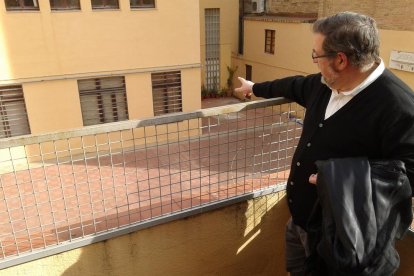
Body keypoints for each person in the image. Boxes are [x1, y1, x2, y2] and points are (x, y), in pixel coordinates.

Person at [235, 11, 414, 276]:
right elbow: (293, 85)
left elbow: (408, 173)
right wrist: (254, 87)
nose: (315, 62)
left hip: (339, 237)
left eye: (316, 55)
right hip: (300, 221)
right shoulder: (324, 85)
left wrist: (339, 181)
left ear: (340, 60)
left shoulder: (399, 107)